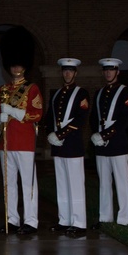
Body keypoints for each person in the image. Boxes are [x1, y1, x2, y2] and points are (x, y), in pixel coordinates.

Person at [0, 29, 43, 234]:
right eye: (13, 63)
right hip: (5, 143)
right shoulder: (3, 90)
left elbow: (36, 114)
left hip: (24, 142)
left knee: (28, 185)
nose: (15, 67)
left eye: (19, 63)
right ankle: (12, 219)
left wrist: (13, 111)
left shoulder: (32, 89)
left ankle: (30, 220)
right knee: (8, 185)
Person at [44, 58, 90, 235]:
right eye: (65, 71)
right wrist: (50, 134)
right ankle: (65, 219)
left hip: (72, 144)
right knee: (62, 184)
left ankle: (79, 223)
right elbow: (50, 117)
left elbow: (80, 118)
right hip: (58, 146)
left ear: (75, 73)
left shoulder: (81, 93)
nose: (67, 74)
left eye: (70, 71)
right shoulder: (57, 94)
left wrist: (60, 134)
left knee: (76, 184)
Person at [90, 58, 128, 226]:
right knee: (104, 182)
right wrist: (96, 133)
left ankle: (124, 218)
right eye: (106, 70)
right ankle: (105, 217)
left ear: (117, 72)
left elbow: (125, 119)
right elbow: (94, 116)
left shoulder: (125, 92)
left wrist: (106, 135)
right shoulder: (100, 92)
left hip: (117, 142)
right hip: (100, 143)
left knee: (122, 181)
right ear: (103, 72)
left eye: (111, 70)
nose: (108, 73)